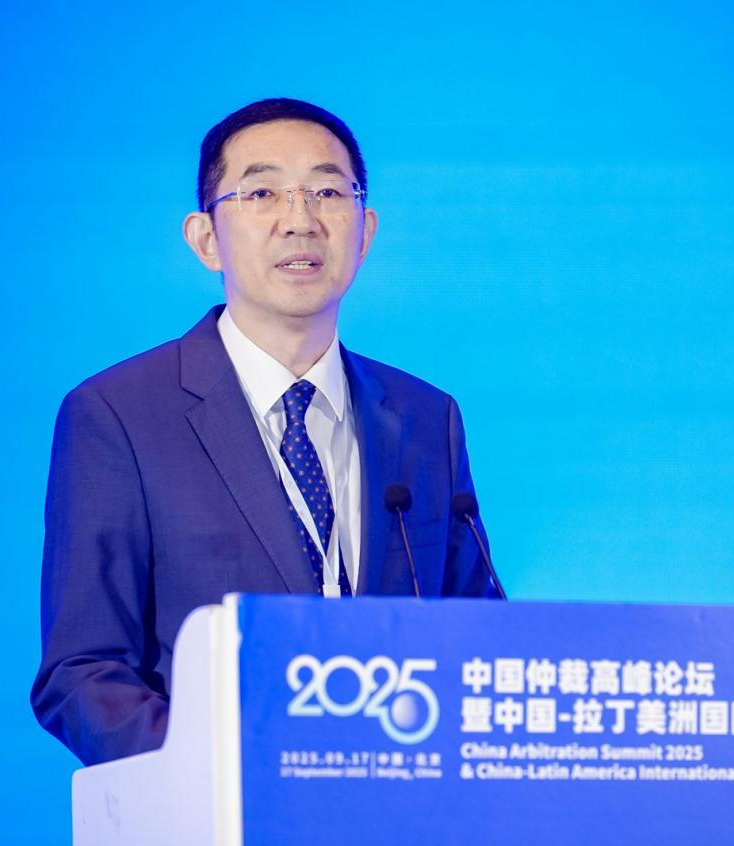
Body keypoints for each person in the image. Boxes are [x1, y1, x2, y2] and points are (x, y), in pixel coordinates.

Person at [31, 97, 501, 766]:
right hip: (217, 806)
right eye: (261, 193)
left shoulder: (426, 418)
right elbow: (81, 673)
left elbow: (478, 639)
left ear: (365, 231)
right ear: (205, 239)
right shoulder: (118, 415)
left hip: (400, 798)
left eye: (327, 192)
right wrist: (233, 771)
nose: (300, 220)